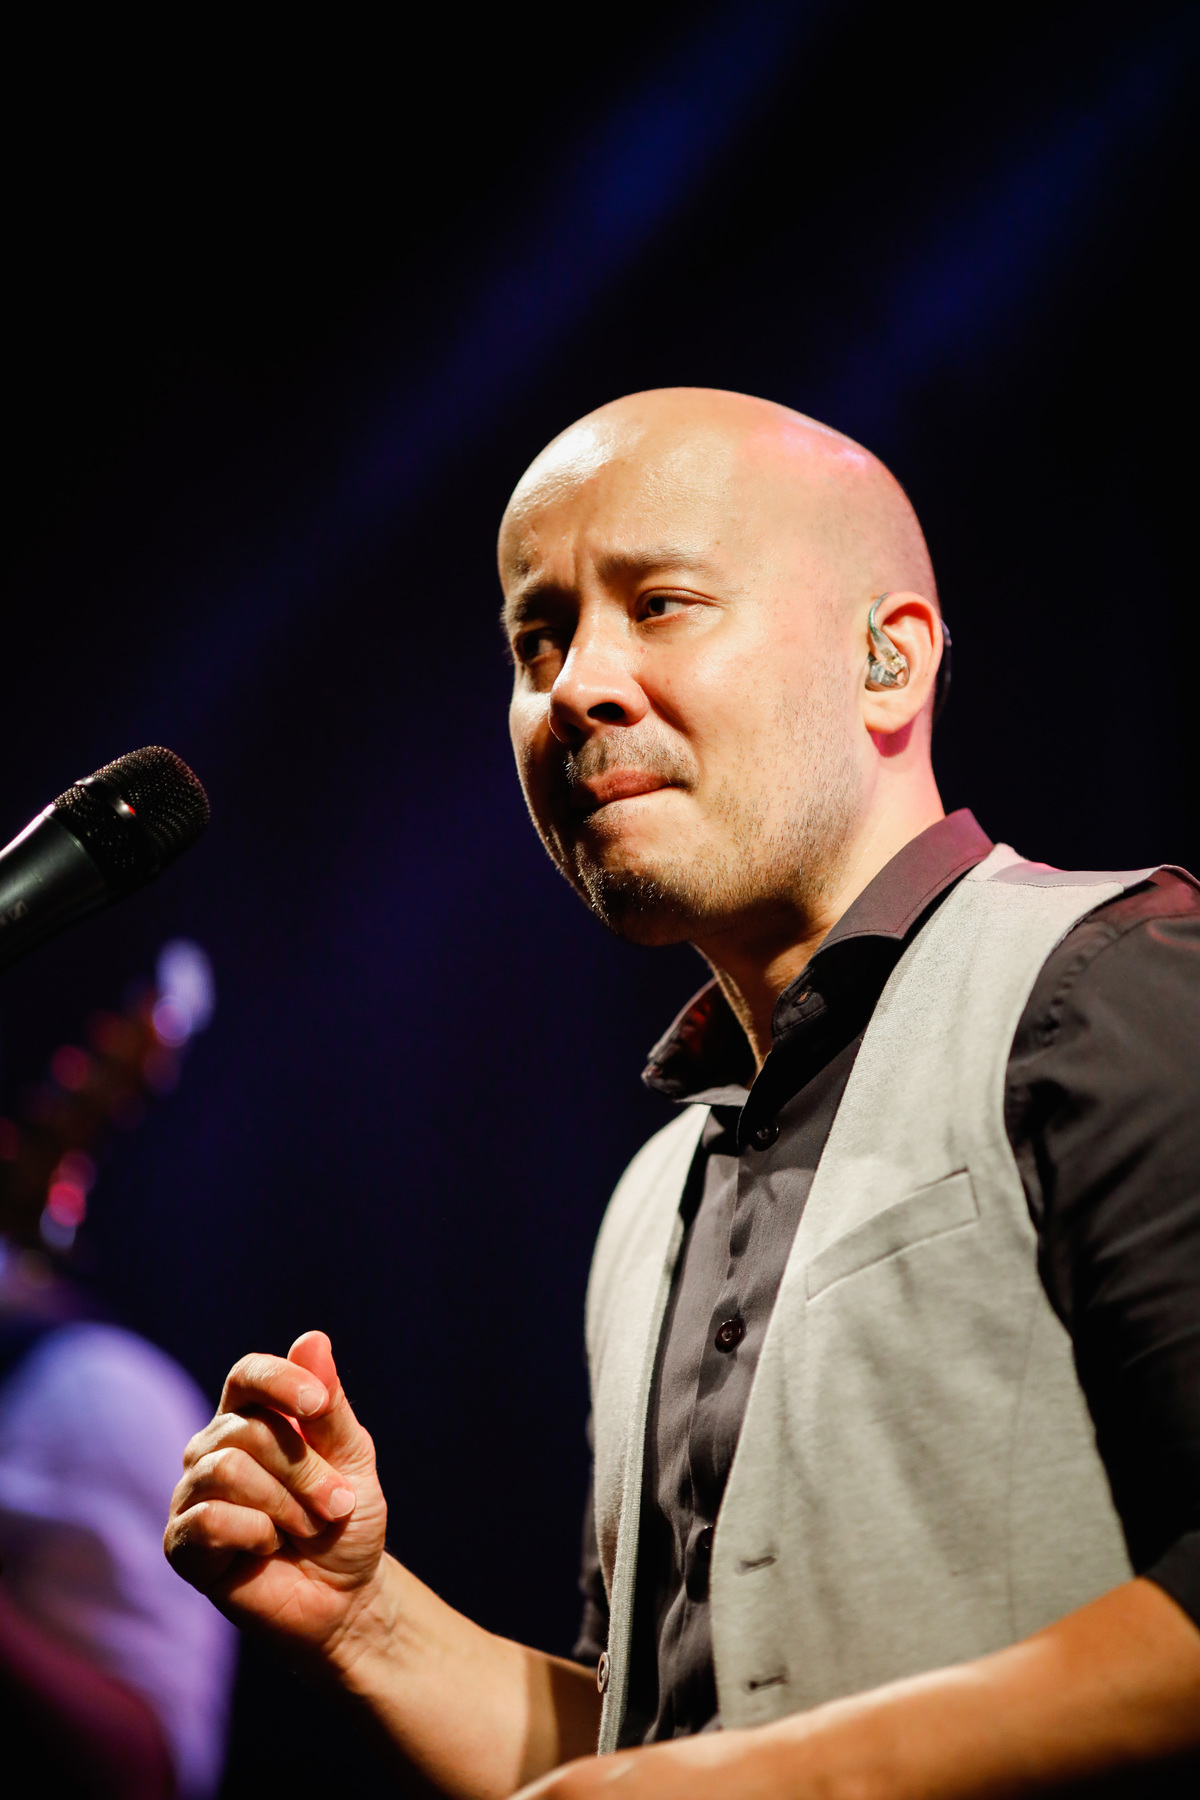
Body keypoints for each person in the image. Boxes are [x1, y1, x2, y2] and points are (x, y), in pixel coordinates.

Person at [164, 388, 1200, 1796]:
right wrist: (365, 1621)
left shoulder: (1111, 990)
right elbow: (652, 1749)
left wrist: (774, 1784)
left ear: (889, 660)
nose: (574, 686)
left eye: (661, 605)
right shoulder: (654, 1196)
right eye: (537, 639)